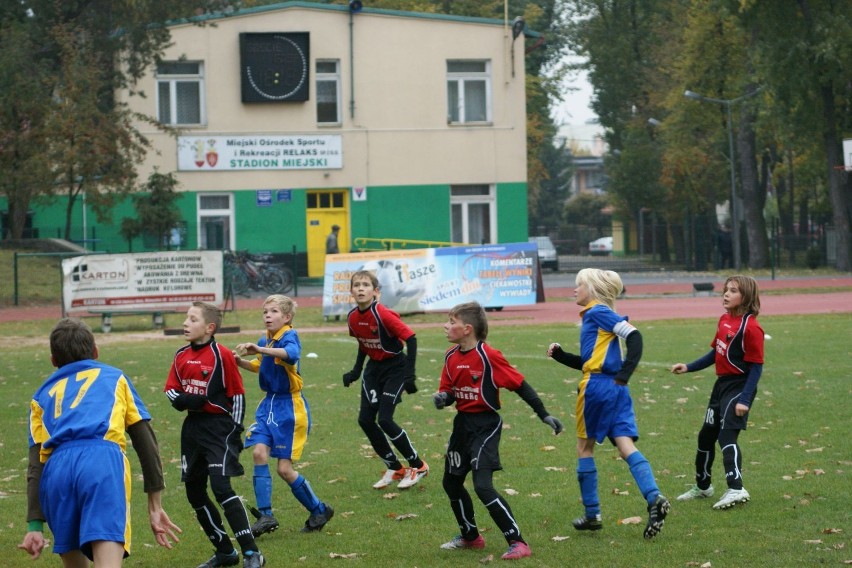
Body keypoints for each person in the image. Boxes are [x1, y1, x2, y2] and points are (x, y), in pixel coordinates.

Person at [18, 318, 181, 567]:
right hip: (101, 463)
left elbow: (35, 464)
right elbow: (145, 441)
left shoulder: (40, 396)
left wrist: (34, 525)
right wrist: (155, 505)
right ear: (95, 352)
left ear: (53, 361)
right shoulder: (115, 378)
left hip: (57, 472)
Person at [434, 302, 563, 560]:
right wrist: (443, 398)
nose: (445, 326)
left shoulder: (489, 356)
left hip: (486, 426)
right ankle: (471, 537)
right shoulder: (450, 356)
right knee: (450, 482)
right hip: (462, 425)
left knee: (482, 486)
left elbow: (520, 385)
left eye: (451, 321)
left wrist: (543, 414)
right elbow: (449, 392)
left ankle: (518, 541)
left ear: (467, 328)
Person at [547, 268, 669, 539]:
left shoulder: (596, 312)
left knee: (584, 447)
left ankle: (592, 514)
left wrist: (626, 373)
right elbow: (589, 361)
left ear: (593, 289)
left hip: (599, 388)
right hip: (616, 389)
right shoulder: (595, 318)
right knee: (626, 446)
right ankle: (654, 499)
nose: (574, 290)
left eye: (579, 285)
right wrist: (562, 356)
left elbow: (634, 336)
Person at [164, 302, 265, 568]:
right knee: (195, 492)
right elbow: (171, 390)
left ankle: (252, 553)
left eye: (192, 319)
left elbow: (237, 394)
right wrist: (184, 399)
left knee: (221, 488)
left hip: (220, 428)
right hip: (192, 429)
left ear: (209, 328)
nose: (186, 323)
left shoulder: (222, 355)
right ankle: (224, 551)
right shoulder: (181, 355)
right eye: (186, 318)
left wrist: (236, 429)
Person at [235, 295, 333, 537]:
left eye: (274, 311)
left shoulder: (290, 335)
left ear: (287, 317)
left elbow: (291, 354)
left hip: (290, 408)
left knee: (284, 469)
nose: (267, 315)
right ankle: (266, 515)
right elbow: (259, 365)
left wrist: (260, 349)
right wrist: (239, 362)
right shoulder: (264, 340)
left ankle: (319, 509)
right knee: (258, 452)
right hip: (268, 404)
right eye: (265, 311)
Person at [671, 275, 764, 510]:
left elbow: (756, 368)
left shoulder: (751, 327)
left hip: (739, 387)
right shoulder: (724, 320)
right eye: (726, 290)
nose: (726, 294)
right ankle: (703, 487)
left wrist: (744, 400)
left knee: (726, 437)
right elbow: (715, 353)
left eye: (733, 291)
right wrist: (689, 367)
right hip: (720, 386)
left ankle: (736, 488)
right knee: (706, 436)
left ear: (746, 296)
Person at [343, 270, 428, 490]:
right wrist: (355, 371)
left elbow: (411, 337)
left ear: (376, 291)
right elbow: (363, 343)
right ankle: (395, 467)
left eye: (366, 285)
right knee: (365, 420)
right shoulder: (352, 317)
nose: (361, 289)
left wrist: (410, 374)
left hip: (396, 368)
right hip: (373, 370)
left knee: (385, 420)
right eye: (356, 285)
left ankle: (418, 466)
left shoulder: (383, 314)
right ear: (351, 290)